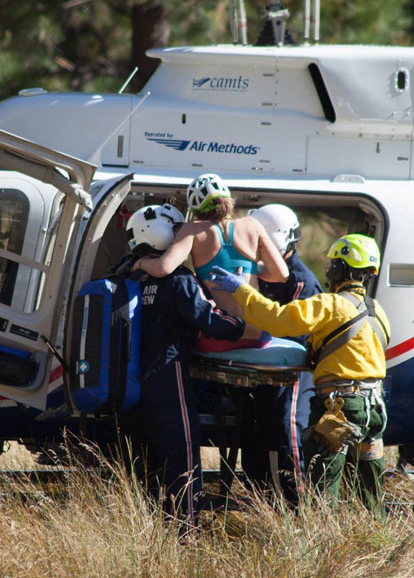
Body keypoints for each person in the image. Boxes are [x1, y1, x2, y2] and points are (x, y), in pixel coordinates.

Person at [207, 233, 390, 518]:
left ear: (343, 268)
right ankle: (379, 534)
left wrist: (241, 290)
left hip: (340, 408)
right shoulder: (378, 311)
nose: (328, 270)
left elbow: (278, 320)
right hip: (375, 408)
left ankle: (318, 546)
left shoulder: (330, 304)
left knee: (323, 485)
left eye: (333, 265)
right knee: (370, 486)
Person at [120, 203, 246, 531]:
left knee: (144, 463)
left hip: (131, 385)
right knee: (183, 455)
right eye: (177, 233)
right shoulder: (178, 279)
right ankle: (183, 532)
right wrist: (239, 323)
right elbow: (208, 318)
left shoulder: (127, 274)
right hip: (168, 378)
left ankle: (142, 528)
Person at [133, 173, 288, 352]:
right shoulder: (252, 224)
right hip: (259, 336)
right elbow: (282, 275)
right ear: (228, 199)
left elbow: (163, 268)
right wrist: (251, 271)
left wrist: (141, 263)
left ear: (196, 208)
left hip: (224, 338)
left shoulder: (193, 229)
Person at [240, 204, 321, 504]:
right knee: (256, 433)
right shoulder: (257, 272)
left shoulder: (301, 282)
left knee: (288, 430)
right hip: (261, 370)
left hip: (293, 371)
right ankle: (262, 501)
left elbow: (296, 333)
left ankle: (298, 504)